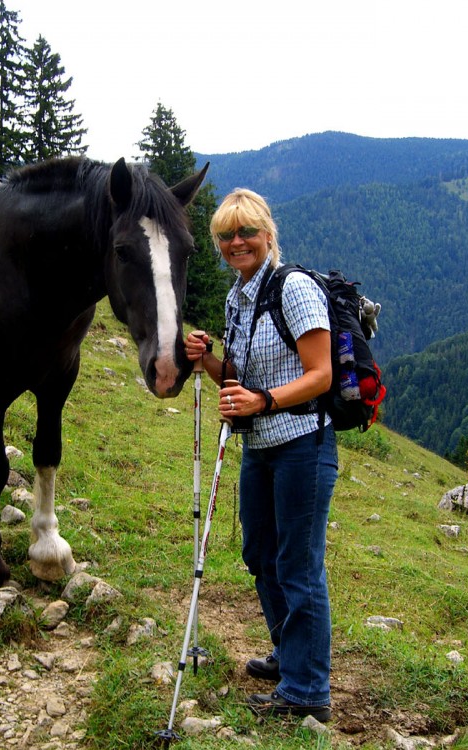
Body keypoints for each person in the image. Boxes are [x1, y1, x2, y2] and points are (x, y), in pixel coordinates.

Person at [184, 188, 337, 722]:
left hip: (303, 445)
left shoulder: (292, 289)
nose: (236, 242)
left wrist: (264, 400)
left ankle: (307, 690)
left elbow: (323, 375)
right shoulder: (238, 297)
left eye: (246, 231)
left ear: (268, 234)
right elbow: (240, 380)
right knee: (260, 556)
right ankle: (288, 655)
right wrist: (207, 362)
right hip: (261, 448)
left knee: (298, 564)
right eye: (225, 235)